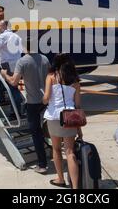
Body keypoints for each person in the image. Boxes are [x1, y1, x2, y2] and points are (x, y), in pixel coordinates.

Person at [1, 39, 51, 174]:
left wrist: (5, 74)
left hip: (33, 102)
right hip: (46, 100)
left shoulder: (23, 61)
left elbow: (14, 82)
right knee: (48, 130)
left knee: (36, 134)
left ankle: (42, 165)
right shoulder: (45, 59)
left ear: (25, 48)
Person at [43, 54, 82, 189]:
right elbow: (77, 105)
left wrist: (43, 99)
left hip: (54, 117)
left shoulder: (51, 77)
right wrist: (79, 128)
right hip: (70, 117)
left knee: (56, 149)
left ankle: (60, 178)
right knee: (70, 152)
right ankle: (76, 187)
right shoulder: (75, 81)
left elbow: (47, 98)